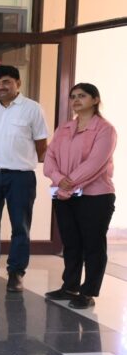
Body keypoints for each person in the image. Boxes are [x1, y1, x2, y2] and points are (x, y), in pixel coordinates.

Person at [0, 64, 48, 292]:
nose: (0, 87)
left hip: (20, 177)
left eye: (6, 82)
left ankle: (16, 272)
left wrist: (23, 162)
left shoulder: (32, 109)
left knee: (20, 225)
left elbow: (41, 144)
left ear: (18, 83)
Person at [44, 83, 116, 309]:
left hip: (95, 196)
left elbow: (96, 162)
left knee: (93, 245)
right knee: (71, 242)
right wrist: (59, 178)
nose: (76, 100)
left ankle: (88, 292)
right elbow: (49, 157)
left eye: (82, 96)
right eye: (73, 96)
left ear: (95, 100)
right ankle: (69, 286)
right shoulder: (64, 128)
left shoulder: (105, 129)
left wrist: (69, 182)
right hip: (64, 194)